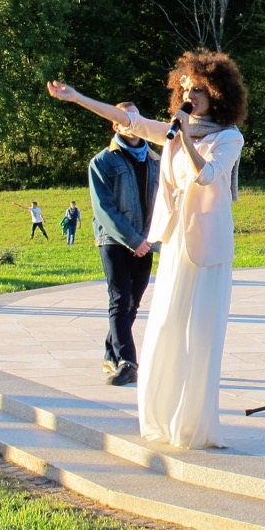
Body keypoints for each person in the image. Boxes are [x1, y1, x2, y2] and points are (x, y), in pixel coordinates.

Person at [46, 49, 247, 449]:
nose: (190, 94)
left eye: (198, 89)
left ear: (217, 93)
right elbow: (127, 120)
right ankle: (164, 418)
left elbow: (205, 176)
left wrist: (184, 134)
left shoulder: (228, 137)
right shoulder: (173, 131)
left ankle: (195, 425)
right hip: (174, 244)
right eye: (185, 88)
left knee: (200, 335)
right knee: (167, 328)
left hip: (209, 249)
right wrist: (78, 97)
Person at [88, 104, 160, 386]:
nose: (131, 123)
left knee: (133, 303)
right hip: (114, 241)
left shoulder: (155, 159)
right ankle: (127, 362)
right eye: (123, 119)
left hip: (146, 242)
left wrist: (149, 240)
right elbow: (104, 210)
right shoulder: (102, 162)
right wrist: (133, 240)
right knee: (119, 299)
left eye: (137, 117)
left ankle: (110, 352)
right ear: (115, 126)